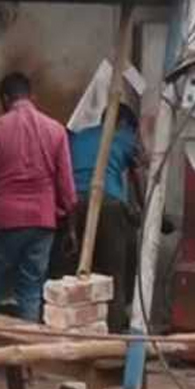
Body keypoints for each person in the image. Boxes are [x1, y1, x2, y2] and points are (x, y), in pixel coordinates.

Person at [0, 72, 78, 323]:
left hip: (4, 220)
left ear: (5, 99)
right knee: (31, 291)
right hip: (42, 222)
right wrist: (70, 228)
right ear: (32, 97)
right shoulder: (56, 130)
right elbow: (68, 190)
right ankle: (26, 355)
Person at [68, 102, 142, 331]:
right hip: (108, 204)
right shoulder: (122, 136)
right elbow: (139, 173)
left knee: (77, 270)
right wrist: (142, 206)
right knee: (114, 273)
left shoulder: (78, 137)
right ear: (122, 123)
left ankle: (76, 325)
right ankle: (114, 330)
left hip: (75, 203)